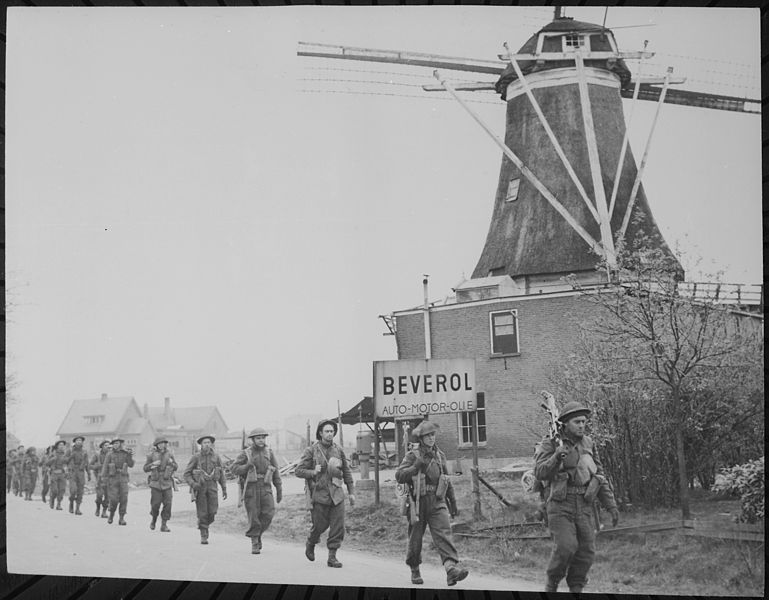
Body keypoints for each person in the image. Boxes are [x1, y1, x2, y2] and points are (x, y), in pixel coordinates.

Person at [534, 401, 620, 594]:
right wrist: (557, 456)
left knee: (586, 552)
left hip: (584, 504)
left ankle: (576, 587)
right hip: (560, 505)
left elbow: (599, 475)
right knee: (566, 547)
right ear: (565, 424)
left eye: (584, 422)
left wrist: (611, 505)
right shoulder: (551, 443)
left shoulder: (588, 443)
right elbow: (539, 472)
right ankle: (552, 583)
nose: (582, 425)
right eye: (577, 422)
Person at [395, 420, 468, 587]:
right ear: (421, 438)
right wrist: (415, 467)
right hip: (418, 503)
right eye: (427, 435)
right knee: (416, 539)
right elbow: (399, 476)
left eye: (433, 435)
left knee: (444, 533)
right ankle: (414, 568)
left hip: (437, 501)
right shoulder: (413, 455)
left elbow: (446, 479)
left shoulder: (440, 455)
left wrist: (453, 501)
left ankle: (451, 570)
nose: (431, 438)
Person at [295, 419, 355, 568]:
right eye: (327, 431)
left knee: (338, 526)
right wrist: (312, 471)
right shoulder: (311, 450)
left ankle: (332, 556)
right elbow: (298, 471)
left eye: (332, 431)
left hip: (336, 494)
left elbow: (346, 471)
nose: (330, 433)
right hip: (319, 494)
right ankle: (311, 542)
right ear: (320, 433)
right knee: (319, 526)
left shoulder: (338, 450)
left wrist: (351, 491)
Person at [231, 428, 282, 554]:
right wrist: (247, 466)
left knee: (268, 513)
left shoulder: (269, 452)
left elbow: (275, 470)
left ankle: (258, 534)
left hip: (265, 486)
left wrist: (279, 488)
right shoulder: (246, 453)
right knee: (253, 515)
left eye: (263, 438)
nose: (261, 440)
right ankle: (254, 541)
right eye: (258, 438)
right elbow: (234, 468)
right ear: (253, 440)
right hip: (251, 487)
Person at [183, 434, 228, 545]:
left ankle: (204, 524)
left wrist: (224, 488)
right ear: (201, 445)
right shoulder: (196, 457)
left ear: (211, 444)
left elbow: (221, 473)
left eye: (208, 442)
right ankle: (204, 533)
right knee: (203, 512)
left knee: (213, 512)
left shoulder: (216, 457)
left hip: (212, 486)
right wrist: (193, 484)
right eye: (204, 443)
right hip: (200, 488)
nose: (207, 444)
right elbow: (186, 474)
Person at [143, 436, 178, 532]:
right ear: (156, 445)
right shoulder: (151, 455)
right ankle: (153, 520)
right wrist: (153, 464)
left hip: (167, 482)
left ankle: (164, 524)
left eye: (164, 443)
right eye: (160, 443)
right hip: (155, 483)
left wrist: (171, 463)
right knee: (155, 504)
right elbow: (145, 468)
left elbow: (176, 467)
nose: (162, 445)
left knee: (168, 504)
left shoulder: (170, 454)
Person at [101, 438, 135, 525]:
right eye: (114, 443)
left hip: (123, 478)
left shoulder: (125, 453)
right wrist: (104, 479)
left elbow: (131, 464)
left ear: (121, 444)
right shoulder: (110, 454)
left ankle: (121, 518)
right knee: (114, 499)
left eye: (118, 443)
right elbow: (105, 467)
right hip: (113, 479)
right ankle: (111, 514)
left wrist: (130, 455)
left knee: (124, 498)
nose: (116, 445)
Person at [66, 436, 91, 515]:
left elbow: (87, 463)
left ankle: (77, 508)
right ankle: (71, 502)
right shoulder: (70, 451)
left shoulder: (84, 452)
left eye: (80, 440)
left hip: (81, 472)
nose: (79, 442)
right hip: (72, 472)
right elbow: (65, 461)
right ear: (75, 442)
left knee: (80, 491)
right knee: (73, 490)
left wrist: (89, 473)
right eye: (77, 440)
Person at [90, 440, 111, 517]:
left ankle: (104, 512)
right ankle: (98, 508)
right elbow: (90, 465)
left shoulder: (111, 455)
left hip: (109, 478)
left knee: (107, 496)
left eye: (109, 446)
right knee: (99, 495)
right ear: (102, 446)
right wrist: (97, 466)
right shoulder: (97, 455)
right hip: (100, 478)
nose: (107, 447)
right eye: (106, 445)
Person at [47, 440, 69, 510]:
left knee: (62, 489)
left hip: (62, 474)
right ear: (57, 446)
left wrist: (67, 471)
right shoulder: (53, 454)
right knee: (55, 490)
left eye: (63, 445)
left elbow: (68, 463)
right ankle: (52, 499)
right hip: (54, 474)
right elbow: (47, 463)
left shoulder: (65, 454)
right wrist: (53, 458)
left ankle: (59, 504)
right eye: (60, 445)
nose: (62, 446)